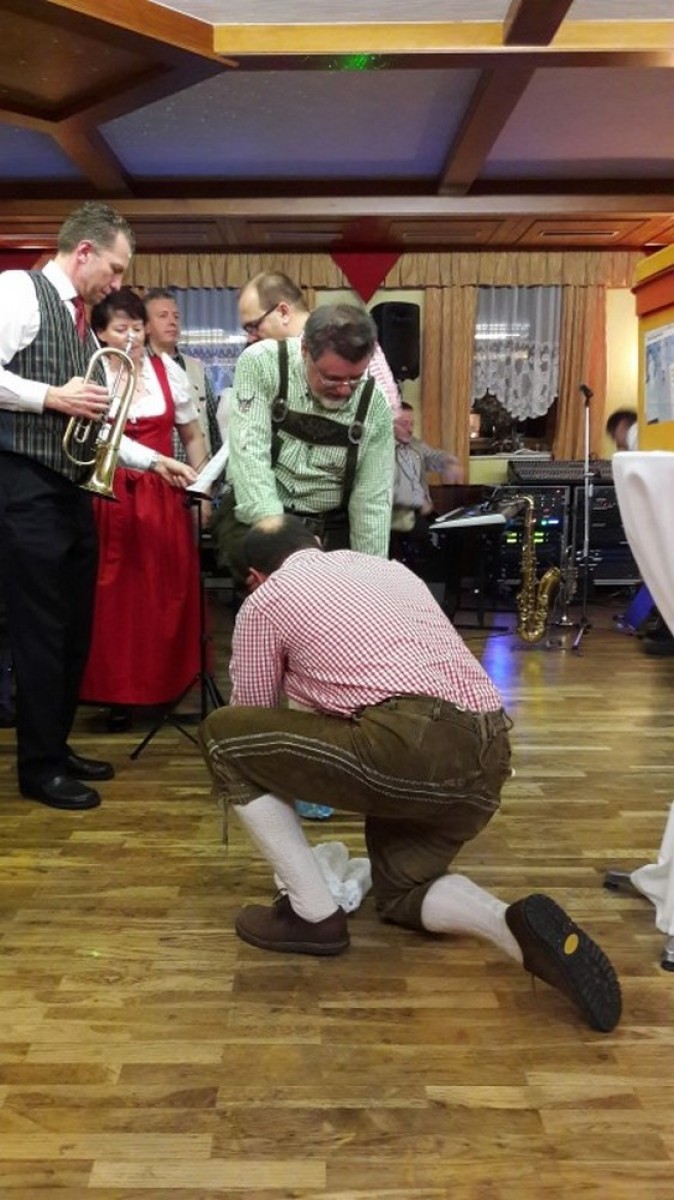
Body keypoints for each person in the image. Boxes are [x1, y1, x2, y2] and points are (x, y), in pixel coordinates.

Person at [199, 514, 622, 1034]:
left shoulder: (267, 599)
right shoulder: (390, 570)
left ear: (254, 576)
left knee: (223, 736)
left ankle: (311, 914)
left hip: (409, 744)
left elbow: (253, 717)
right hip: (489, 750)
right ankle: (510, 927)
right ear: (317, 543)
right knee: (404, 891)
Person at [0, 201, 194, 812]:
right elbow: (48, 397)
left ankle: (55, 748)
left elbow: (102, 424)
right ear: (83, 251)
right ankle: (38, 768)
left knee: (73, 628)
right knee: (41, 632)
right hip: (24, 484)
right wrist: (49, 396)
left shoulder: (81, 324)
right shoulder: (20, 291)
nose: (117, 283)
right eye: (114, 268)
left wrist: (152, 461)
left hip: (71, 489)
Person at [79, 288, 208, 728]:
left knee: (164, 594)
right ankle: (116, 694)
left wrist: (201, 487)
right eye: (121, 329)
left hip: (162, 496)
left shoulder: (165, 370)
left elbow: (193, 435)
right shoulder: (91, 373)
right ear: (100, 333)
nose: (132, 337)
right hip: (106, 497)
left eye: (137, 328)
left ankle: (169, 688)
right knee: (113, 600)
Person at [214, 303, 395, 587]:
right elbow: (250, 461)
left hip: (331, 524)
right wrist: (286, 554)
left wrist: (370, 582)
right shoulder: (261, 364)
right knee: (281, 592)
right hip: (260, 516)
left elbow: (372, 503)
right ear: (305, 350)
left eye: (355, 379)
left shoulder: (376, 405)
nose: (344, 389)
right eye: (332, 378)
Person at [238, 270, 402, 414]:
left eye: (253, 326)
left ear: (283, 312)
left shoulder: (349, 335)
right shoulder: (269, 362)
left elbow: (388, 414)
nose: (250, 338)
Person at [144, 287, 222, 461]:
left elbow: (212, 425)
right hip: (154, 469)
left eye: (176, 316)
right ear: (146, 326)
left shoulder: (196, 368)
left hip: (197, 470)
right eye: (163, 316)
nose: (172, 322)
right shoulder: (137, 367)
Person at [390, 400, 463, 572]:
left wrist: (450, 462)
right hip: (395, 517)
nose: (410, 429)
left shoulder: (415, 444)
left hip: (420, 514)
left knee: (454, 538)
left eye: (412, 424)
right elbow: (386, 489)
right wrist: (417, 500)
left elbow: (433, 456)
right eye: (404, 424)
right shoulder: (380, 450)